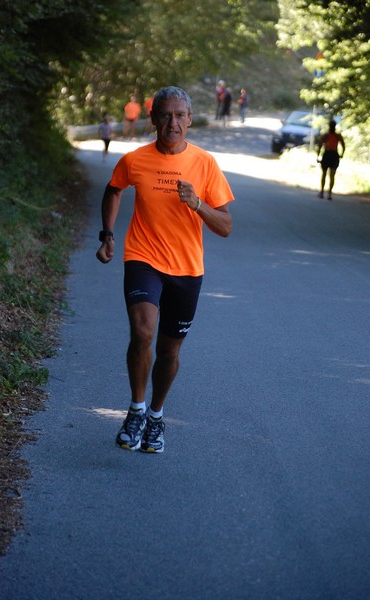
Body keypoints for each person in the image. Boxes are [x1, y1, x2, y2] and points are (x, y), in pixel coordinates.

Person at [96, 86, 234, 453]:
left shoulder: (205, 164)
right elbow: (113, 190)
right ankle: (137, 409)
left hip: (187, 269)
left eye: (180, 115)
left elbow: (225, 226)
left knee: (170, 351)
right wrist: (108, 234)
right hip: (143, 257)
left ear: (190, 119)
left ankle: (156, 415)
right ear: (154, 118)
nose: (173, 122)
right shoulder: (135, 160)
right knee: (143, 331)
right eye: (166, 115)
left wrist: (198, 204)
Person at [317, 119, 345, 200]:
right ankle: (329, 193)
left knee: (324, 174)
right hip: (334, 155)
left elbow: (319, 146)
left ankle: (322, 192)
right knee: (332, 175)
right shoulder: (337, 136)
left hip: (327, 154)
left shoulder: (325, 135)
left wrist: (318, 155)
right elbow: (343, 145)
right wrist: (341, 154)